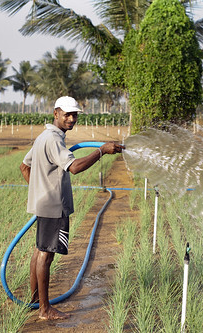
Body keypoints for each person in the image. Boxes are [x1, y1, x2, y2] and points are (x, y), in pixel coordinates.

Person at [19, 96, 124, 320]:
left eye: (74, 114)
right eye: (67, 114)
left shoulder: (44, 137)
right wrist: (101, 151)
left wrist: (39, 192)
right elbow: (74, 167)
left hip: (45, 204)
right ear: (56, 113)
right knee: (46, 256)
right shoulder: (54, 139)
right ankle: (45, 310)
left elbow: (24, 166)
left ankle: (37, 301)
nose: (71, 118)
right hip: (54, 206)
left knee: (40, 251)